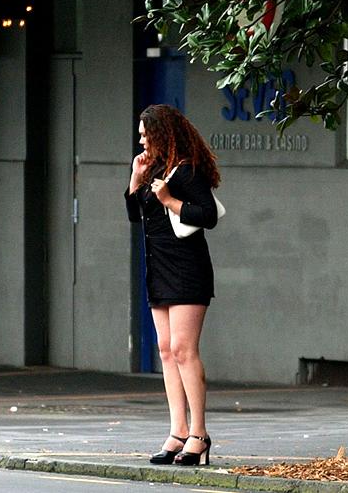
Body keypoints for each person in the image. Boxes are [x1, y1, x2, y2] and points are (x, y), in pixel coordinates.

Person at [124, 104, 220, 466]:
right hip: (158, 267)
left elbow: (207, 216)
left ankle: (199, 433)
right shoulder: (155, 169)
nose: (142, 140)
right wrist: (136, 179)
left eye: (147, 134)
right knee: (165, 349)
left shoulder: (187, 171)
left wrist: (170, 200)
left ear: (163, 134)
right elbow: (138, 216)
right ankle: (177, 430)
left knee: (183, 349)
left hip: (187, 269)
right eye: (141, 134)